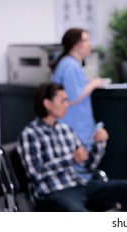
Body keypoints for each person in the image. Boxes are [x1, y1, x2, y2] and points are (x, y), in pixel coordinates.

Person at [17, 82, 127, 211]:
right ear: (47, 103)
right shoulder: (30, 134)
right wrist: (71, 159)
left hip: (79, 185)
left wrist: (99, 144)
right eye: (63, 101)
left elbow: (89, 166)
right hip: (53, 192)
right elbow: (35, 174)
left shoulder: (66, 130)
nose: (67, 105)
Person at [51, 28, 108, 181]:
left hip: (79, 126)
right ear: (76, 44)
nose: (90, 44)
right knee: (77, 169)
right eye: (86, 41)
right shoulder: (69, 65)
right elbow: (73, 96)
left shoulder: (72, 64)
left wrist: (88, 81)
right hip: (73, 125)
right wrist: (93, 84)